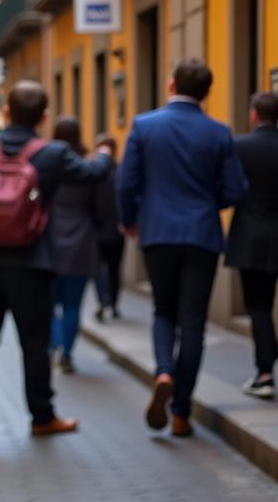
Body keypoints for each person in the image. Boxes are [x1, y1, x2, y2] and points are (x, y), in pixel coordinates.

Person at [0, 81, 111, 442]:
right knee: (34, 341)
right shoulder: (53, 154)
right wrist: (106, 152)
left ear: (7, 112)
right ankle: (42, 417)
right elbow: (92, 174)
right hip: (31, 262)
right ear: (44, 117)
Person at [117, 58, 246, 437]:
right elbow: (236, 189)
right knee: (193, 322)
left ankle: (163, 371)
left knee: (163, 311)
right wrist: (208, 206)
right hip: (202, 234)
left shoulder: (143, 126)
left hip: (157, 232)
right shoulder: (219, 133)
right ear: (207, 92)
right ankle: (180, 413)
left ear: (171, 85)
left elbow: (126, 183)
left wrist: (130, 219)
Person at [224, 91, 278, 399]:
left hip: (251, 237)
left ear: (254, 114)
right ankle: (268, 357)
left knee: (258, 305)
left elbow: (230, 188)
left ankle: (265, 373)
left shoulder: (239, 146)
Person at [49, 117, 110, 374]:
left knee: (49, 304)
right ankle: (68, 353)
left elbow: (32, 196)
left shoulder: (47, 168)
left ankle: (54, 345)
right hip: (81, 243)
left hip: (49, 243)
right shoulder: (88, 170)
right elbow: (101, 210)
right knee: (73, 305)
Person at [93, 134, 125, 321]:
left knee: (101, 268)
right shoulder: (120, 171)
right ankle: (110, 303)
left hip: (101, 228)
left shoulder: (92, 172)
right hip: (113, 228)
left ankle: (105, 301)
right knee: (113, 268)